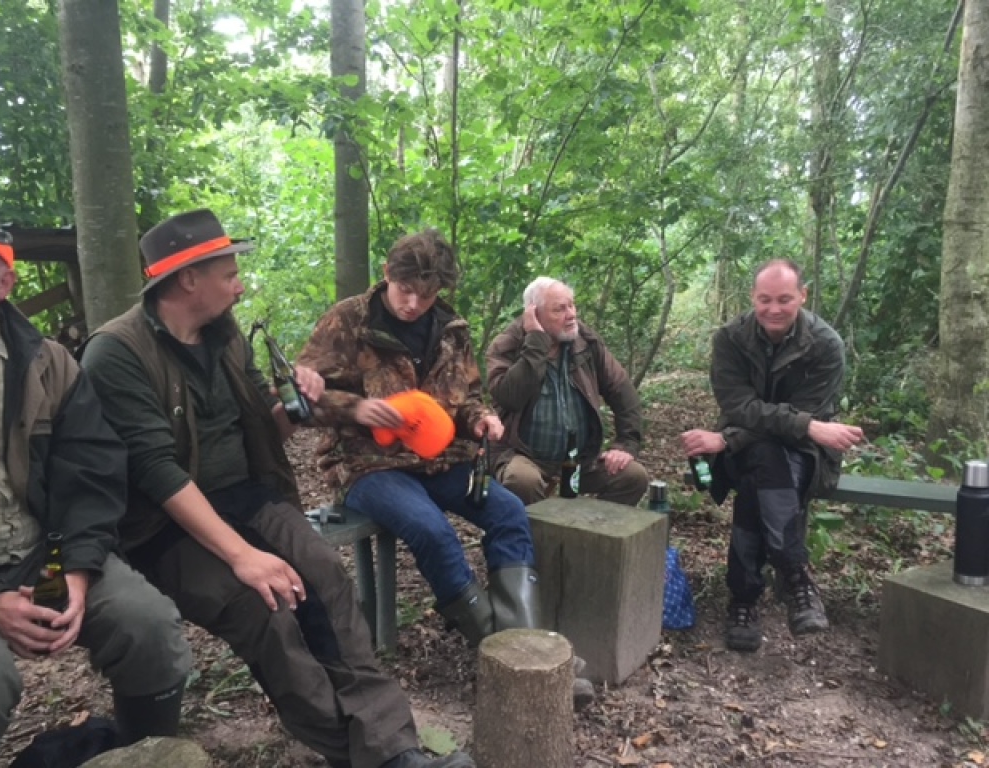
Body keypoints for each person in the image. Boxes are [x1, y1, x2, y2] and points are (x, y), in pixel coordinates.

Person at [81, 210, 473, 768]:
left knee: (326, 581)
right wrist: (244, 557)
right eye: (228, 275)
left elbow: (268, 427)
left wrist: (298, 403)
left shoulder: (225, 334)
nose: (239, 286)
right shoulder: (117, 352)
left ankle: (395, 751)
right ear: (188, 279)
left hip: (247, 495)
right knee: (263, 608)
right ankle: (357, 752)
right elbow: (156, 472)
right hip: (163, 524)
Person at [0, 202, 192, 768]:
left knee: (147, 626)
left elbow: (90, 471)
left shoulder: (49, 364)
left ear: (4, 281)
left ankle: (145, 754)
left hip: (42, 554)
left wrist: (76, 568)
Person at [295, 229, 540, 649]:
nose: (413, 304)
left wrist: (480, 419)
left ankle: (526, 642)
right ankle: (501, 649)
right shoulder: (349, 321)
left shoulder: (451, 330)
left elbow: (468, 396)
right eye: (405, 290)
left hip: (442, 459)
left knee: (510, 513)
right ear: (387, 273)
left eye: (425, 296)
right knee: (433, 530)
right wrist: (354, 408)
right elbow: (297, 397)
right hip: (369, 466)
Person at [680, 259, 865, 653]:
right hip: (752, 447)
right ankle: (795, 574)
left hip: (802, 453)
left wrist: (727, 439)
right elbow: (739, 405)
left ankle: (743, 601)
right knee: (764, 457)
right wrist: (808, 425)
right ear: (753, 297)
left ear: (803, 296)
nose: (773, 309)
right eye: (765, 299)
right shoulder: (731, 338)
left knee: (761, 469)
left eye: (784, 299)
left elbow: (798, 415)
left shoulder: (825, 344)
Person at [485, 277, 649, 507]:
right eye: (559, 309)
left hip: (579, 459)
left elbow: (623, 392)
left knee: (633, 477)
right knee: (522, 481)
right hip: (522, 455)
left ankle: (591, 528)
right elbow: (509, 397)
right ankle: (535, 530)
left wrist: (626, 444)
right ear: (534, 314)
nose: (571, 314)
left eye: (572, 305)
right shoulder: (507, 344)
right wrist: (536, 341)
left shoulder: (586, 342)